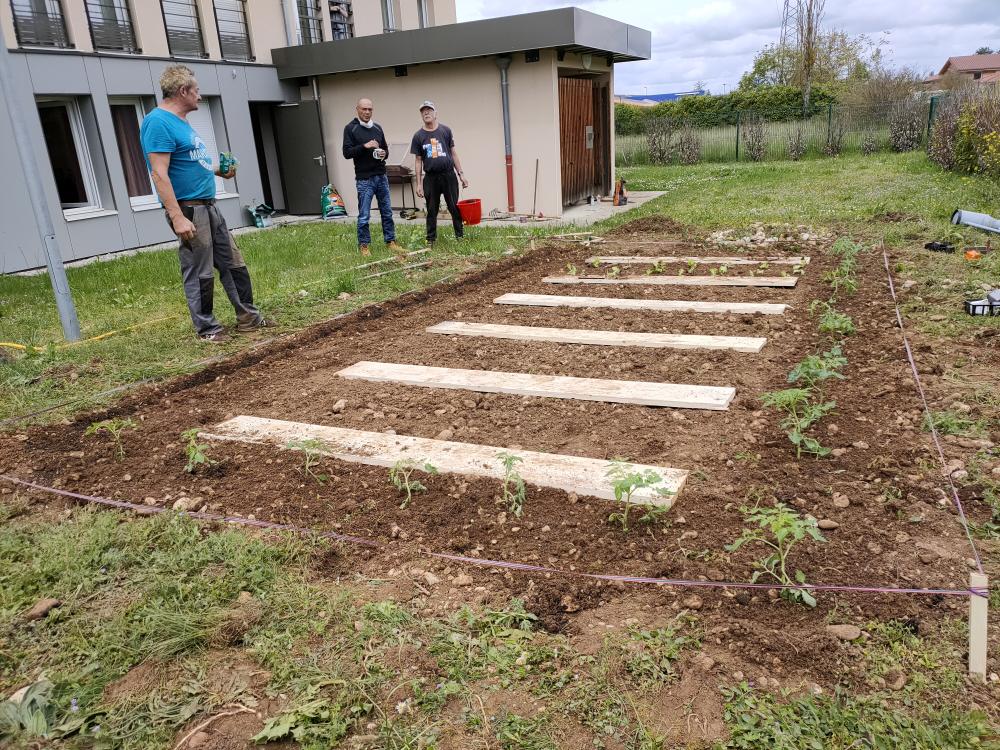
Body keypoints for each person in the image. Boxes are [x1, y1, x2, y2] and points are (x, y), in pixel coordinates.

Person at [140, 64, 273, 343]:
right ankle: (208, 330)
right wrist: (177, 217)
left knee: (233, 263)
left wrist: (217, 170)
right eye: (197, 91)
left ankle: (248, 317)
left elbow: (187, 162)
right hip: (189, 208)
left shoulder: (180, 121)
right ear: (183, 91)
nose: (200, 96)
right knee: (199, 272)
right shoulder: (158, 122)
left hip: (209, 205)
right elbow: (159, 173)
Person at [342, 98, 402, 257]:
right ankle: (364, 245)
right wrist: (364, 146)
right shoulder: (350, 128)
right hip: (364, 179)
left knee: (387, 212)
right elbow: (347, 153)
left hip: (381, 176)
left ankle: (391, 242)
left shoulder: (377, 127)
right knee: (364, 215)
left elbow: (385, 151)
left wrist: (384, 154)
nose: (367, 112)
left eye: (370, 109)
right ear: (357, 109)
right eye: (364, 109)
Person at [410, 101, 468, 244]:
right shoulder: (418, 136)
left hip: (448, 175)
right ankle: (431, 239)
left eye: (429, 110)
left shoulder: (445, 131)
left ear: (436, 114)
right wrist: (419, 184)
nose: (426, 113)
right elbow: (418, 161)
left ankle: (460, 237)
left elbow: (453, 153)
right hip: (431, 177)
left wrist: (461, 174)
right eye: (423, 111)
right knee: (431, 209)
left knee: (454, 207)